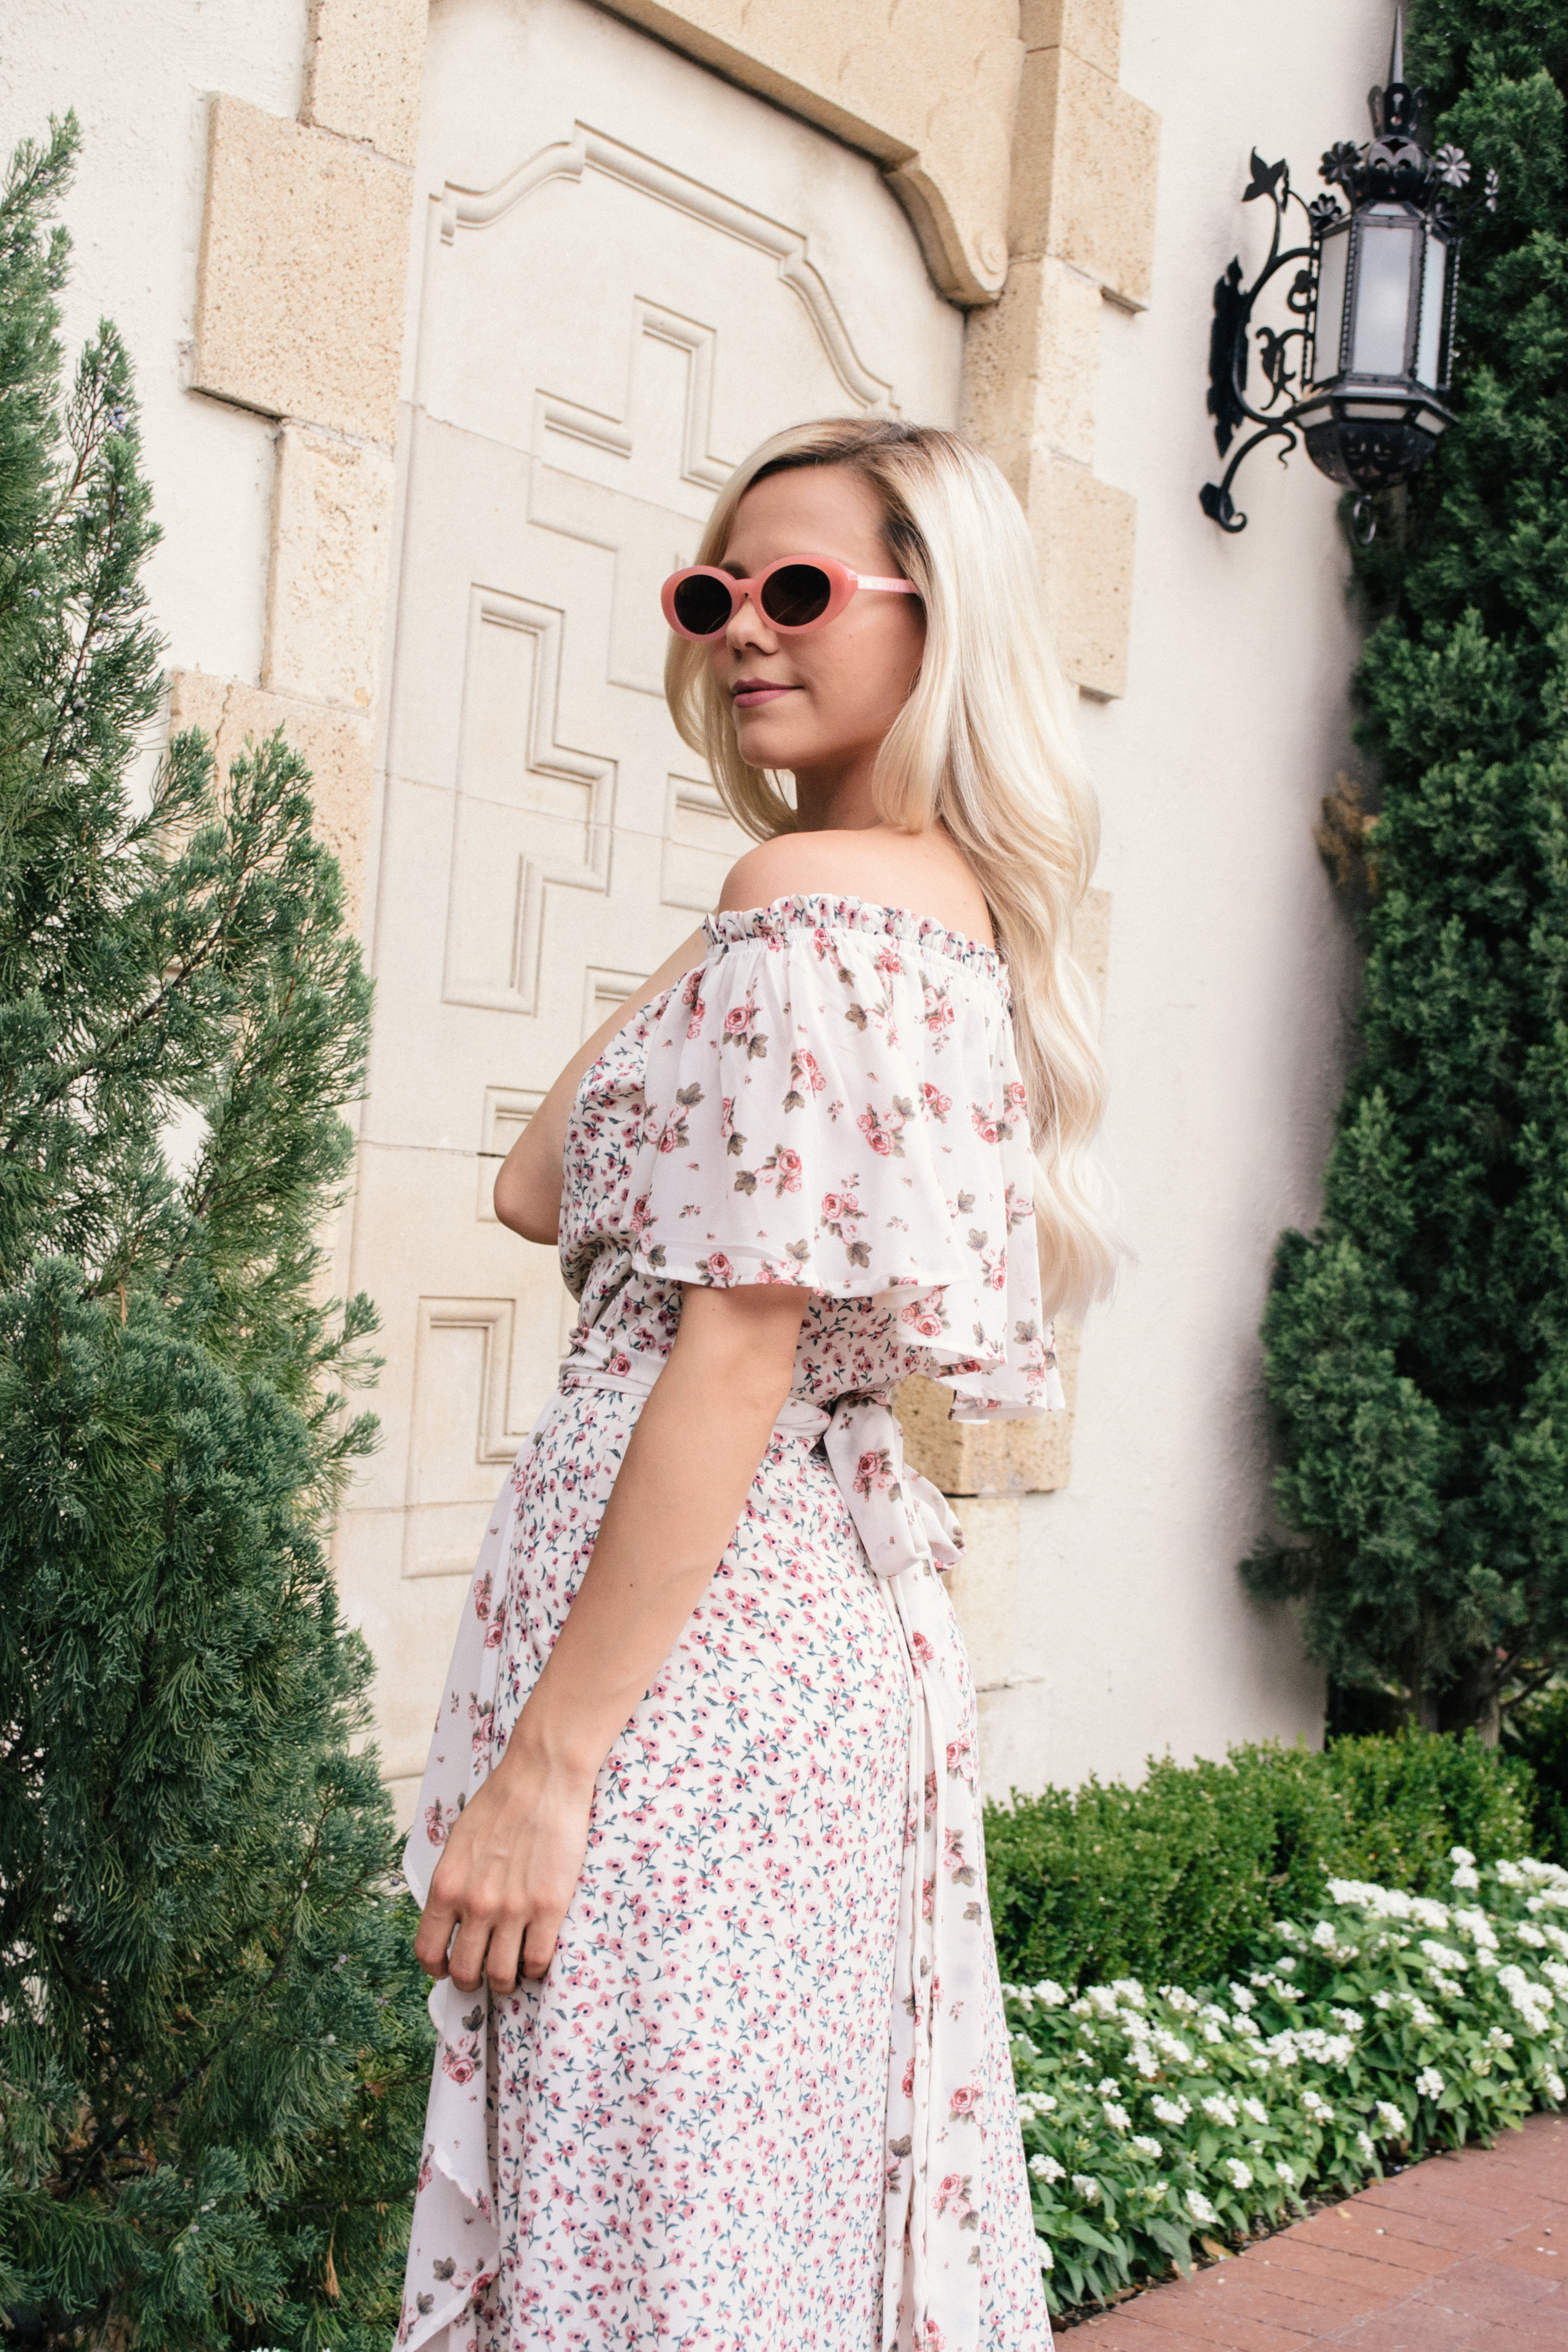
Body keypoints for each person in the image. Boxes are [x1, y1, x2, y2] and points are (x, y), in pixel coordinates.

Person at [396, 417, 1116, 2351]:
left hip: (692, 1675)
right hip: (786, 1655)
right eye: (714, 595)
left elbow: (735, 1351)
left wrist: (552, 1767)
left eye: (797, 590)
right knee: (716, 2223)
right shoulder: (865, 913)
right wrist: (733, 917)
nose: (741, 631)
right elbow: (534, 1182)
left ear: (935, 615)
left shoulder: (827, 911)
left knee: (642, 2239)